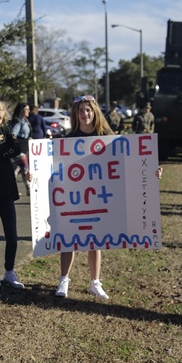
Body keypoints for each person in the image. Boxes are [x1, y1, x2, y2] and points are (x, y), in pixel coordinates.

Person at [56, 95, 115, 300]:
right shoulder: (68, 139)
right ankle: (64, 280)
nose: (84, 114)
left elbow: (127, 161)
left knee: (94, 240)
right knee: (69, 238)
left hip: (98, 196)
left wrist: (152, 171)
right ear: (76, 114)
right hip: (73, 196)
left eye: (88, 110)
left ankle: (95, 282)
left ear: (95, 112)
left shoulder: (107, 137)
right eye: (80, 111)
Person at [0, 100, 32, 289]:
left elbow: (16, 148)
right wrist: (1, 152)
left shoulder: (6, 130)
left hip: (7, 188)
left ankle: (9, 271)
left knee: (12, 234)